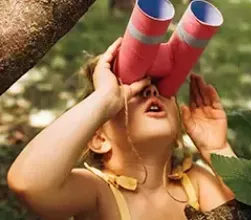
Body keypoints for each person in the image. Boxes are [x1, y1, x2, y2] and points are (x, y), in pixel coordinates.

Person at [7, 37, 236, 220]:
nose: (151, 91)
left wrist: (217, 147)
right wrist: (105, 98)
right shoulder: (99, 192)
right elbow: (29, 184)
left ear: (177, 133)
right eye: (130, 92)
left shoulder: (194, 182)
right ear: (98, 137)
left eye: (161, 87)